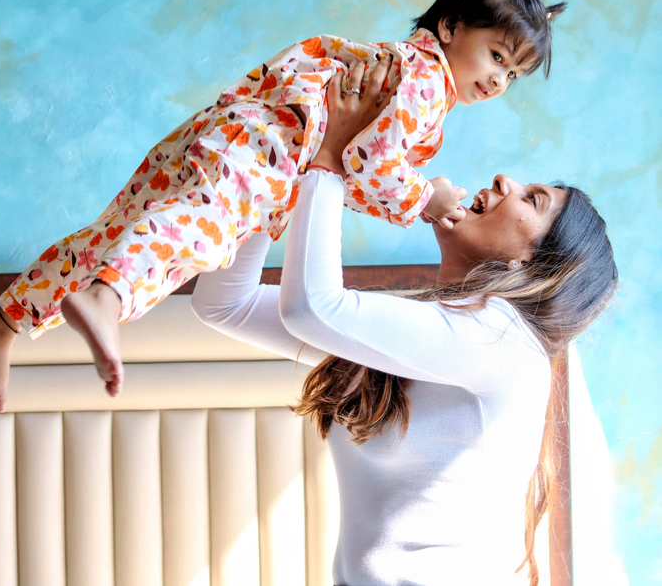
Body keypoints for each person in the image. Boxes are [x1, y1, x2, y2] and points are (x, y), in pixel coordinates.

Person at [0, 0, 565, 411]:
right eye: (496, 56)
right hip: (259, 158)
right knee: (197, 232)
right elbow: (370, 165)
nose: (498, 80)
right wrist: (422, 198)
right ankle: (110, 293)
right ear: (451, 27)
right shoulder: (426, 85)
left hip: (234, 137)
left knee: (114, 232)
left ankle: (2, 324)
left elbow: (344, 165)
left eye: (512, 75)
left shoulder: (404, 67)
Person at [190, 60, 618, 584]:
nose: (504, 180)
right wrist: (279, 169)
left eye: (533, 199)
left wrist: (328, 161)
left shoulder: (505, 343)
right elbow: (224, 304)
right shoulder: (431, 332)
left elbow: (311, 306)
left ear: (529, 264)